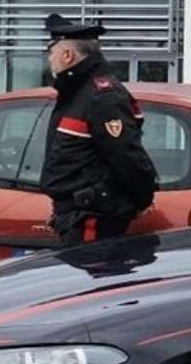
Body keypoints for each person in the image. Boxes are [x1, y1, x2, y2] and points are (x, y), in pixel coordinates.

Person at [39, 13, 158, 246]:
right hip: (75, 216)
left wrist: (143, 198)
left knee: (92, 268)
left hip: (93, 217)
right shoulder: (77, 92)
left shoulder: (101, 97)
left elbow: (126, 155)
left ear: (67, 55)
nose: (49, 59)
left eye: (51, 52)